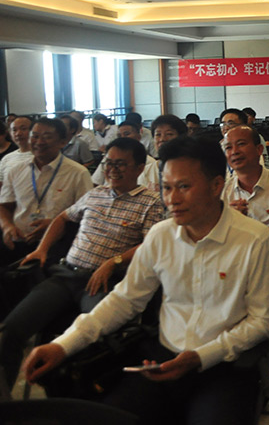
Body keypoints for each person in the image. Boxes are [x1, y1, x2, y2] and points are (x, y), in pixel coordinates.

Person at [23, 136, 269, 425]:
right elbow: (125, 300)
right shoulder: (161, 235)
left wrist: (201, 356)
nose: (172, 199)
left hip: (224, 366)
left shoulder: (256, 241)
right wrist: (63, 345)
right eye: (166, 187)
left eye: (184, 187)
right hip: (161, 358)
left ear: (216, 186)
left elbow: (264, 320)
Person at [0, 137, 165, 390]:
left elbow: (150, 243)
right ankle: (7, 398)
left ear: (140, 168)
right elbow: (62, 218)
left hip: (101, 282)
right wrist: (42, 249)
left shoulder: (151, 201)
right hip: (65, 275)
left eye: (121, 164)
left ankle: (86, 396)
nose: (112, 169)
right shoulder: (95, 194)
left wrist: (113, 262)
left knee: (100, 339)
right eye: (109, 163)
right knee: (10, 330)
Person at [0, 118, 93, 264]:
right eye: (35, 136)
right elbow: (4, 206)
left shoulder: (78, 173)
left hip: (58, 246)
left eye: (47, 137)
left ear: (63, 142)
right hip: (18, 241)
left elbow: (88, 215)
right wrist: (7, 226)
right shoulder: (16, 170)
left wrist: (55, 226)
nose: (39, 142)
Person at [221, 125, 269, 231]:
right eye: (228, 148)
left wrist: (244, 226)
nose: (234, 151)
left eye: (241, 144)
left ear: (259, 149)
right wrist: (229, 220)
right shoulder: (223, 193)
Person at [92, 120, 160, 191]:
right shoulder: (108, 159)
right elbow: (96, 182)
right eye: (119, 135)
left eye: (126, 134)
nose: (122, 137)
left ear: (138, 137)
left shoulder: (149, 162)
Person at [0, 116, 33, 190]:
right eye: (14, 130)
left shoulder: (42, 157)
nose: (18, 133)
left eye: (23, 129)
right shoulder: (7, 158)